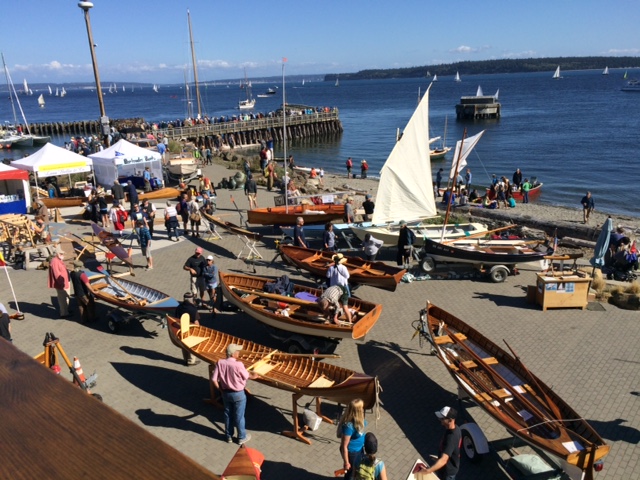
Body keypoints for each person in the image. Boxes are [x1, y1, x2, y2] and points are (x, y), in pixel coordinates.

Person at [211, 343, 259, 445]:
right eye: (237, 351)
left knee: (228, 414)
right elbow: (247, 376)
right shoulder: (239, 364)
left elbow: (214, 379)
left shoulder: (220, 363)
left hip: (226, 393)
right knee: (239, 416)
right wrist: (254, 376)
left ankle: (228, 436)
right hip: (238, 394)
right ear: (233, 354)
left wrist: (220, 390)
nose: (239, 353)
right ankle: (241, 437)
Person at [420, 406, 461, 480]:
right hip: (447, 468)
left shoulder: (451, 438)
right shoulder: (456, 429)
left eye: (442, 419)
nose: (440, 420)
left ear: (450, 420)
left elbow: (444, 460)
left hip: (447, 473)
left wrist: (428, 471)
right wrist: (438, 459)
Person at [338, 398, 367, 479]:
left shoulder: (359, 419)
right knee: (351, 473)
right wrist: (346, 462)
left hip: (359, 449)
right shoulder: (348, 426)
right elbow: (344, 446)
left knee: (357, 469)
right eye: (361, 408)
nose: (362, 409)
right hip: (352, 453)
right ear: (357, 410)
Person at [175, 292, 201, 366]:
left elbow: (176, 319)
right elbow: (196, 322)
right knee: (192, 345)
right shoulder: (193, 309)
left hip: (182, 328)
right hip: (191, 329)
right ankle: (191, 361)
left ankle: (185, 359)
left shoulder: (179, 307)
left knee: (184, 345)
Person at [48, 249, 71, 318]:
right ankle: (64, 313)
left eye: (63, 254)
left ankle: (66, 310)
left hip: (65, 282)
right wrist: (61, 283)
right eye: (61, 254)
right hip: (61, 283)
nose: (63, 255)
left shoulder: (59, 260)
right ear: (57, 254)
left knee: (66, 297)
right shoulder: (55, 261)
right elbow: (57, 274)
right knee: (62, 298)